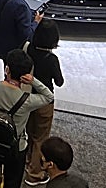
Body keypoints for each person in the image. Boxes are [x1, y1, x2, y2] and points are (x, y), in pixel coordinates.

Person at [0, 49, 55, 188]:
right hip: (16, 146)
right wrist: (33, 81)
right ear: (25, 75)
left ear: (7, 69)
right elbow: (49, 97)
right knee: (12, 181)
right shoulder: (27, 100)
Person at [24, 20, 65, 184]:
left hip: (27, 98)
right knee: (40, 138)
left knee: (29, 132)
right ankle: (35, 174)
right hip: (44, 101)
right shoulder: (51, 59)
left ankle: (28, 160)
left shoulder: (28, 49)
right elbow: (59, 81)